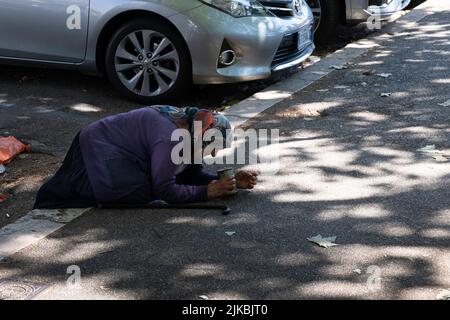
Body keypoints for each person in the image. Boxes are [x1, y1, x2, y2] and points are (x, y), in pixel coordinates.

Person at [34, 106, 259, 209]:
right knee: (143, 191)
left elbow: (189, 173)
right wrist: (207, 192)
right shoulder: (171, 139)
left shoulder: (189, 127)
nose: (213, 154)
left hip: (112, 146)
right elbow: (165, 189)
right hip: (97, 149)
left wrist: (226, 183)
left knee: (156, 182)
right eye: (213, 146)